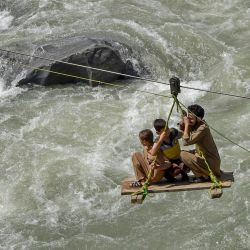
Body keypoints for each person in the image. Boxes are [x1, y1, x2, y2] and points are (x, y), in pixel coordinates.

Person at [180, 104, 221, 182]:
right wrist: (183, 122)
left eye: (191, 119)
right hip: (208, 160)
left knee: (183, 154)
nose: (189, 120)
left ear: (199, 119)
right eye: (188, 118)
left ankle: (201, 177)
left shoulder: (203, 128)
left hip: (212, 165)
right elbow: (185, 130)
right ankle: (203, 174)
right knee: (188, 154)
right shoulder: (197, 124)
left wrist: (187, 125)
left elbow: (185, 142)